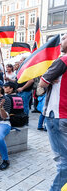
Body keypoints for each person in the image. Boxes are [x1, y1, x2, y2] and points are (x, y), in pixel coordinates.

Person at [39, 33, 67, 191]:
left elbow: (42, 84)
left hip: (57, 115)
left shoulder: (63, 60)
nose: (61, 41)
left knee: (64, 161)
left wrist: (46, 80)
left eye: (64, 38)